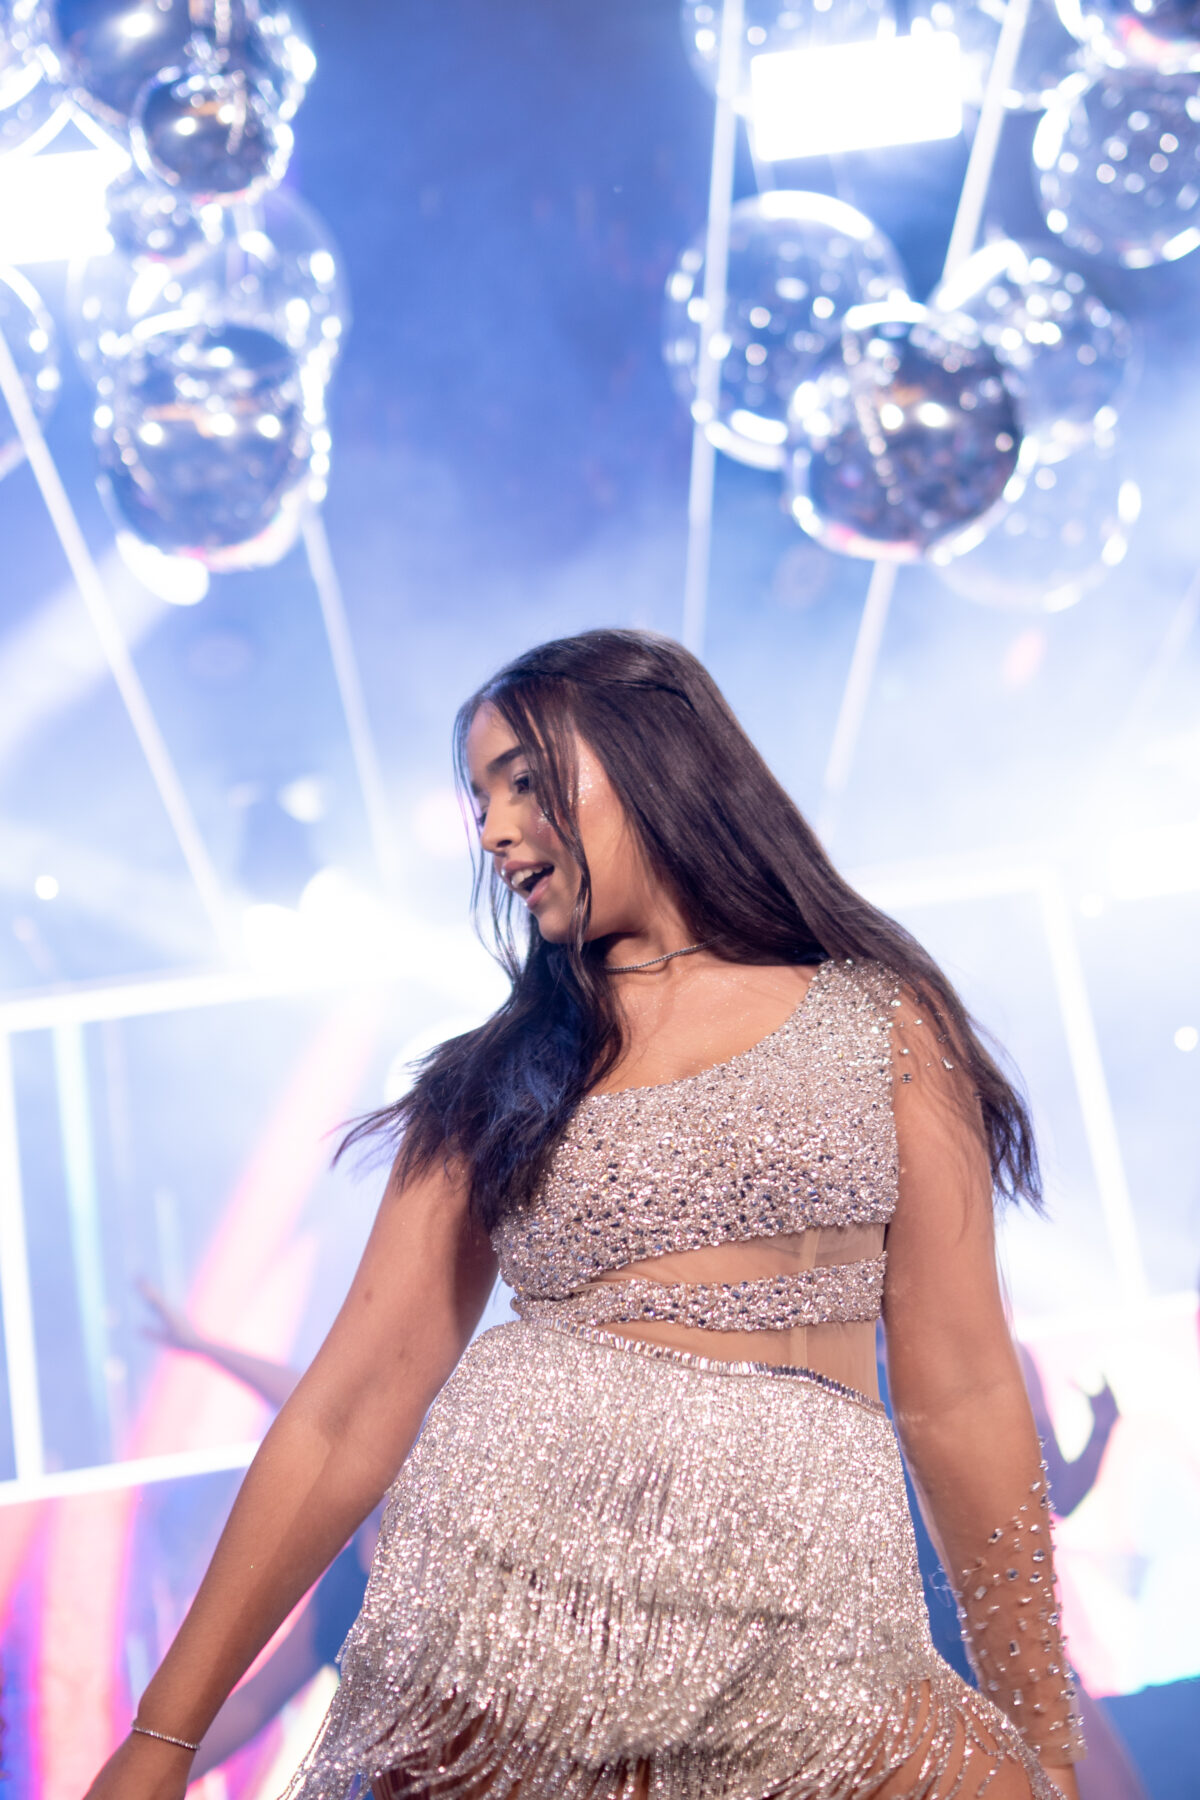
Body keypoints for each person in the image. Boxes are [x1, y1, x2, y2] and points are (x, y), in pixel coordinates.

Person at [86, 628, 1086, 1800]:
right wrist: (161, 1739)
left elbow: (963, 1394)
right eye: (479, 800)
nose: (493, 829)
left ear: (655, 755)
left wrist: (1047, 1743)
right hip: (513, 1633)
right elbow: (346, 1411)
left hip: (820, 1639)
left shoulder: (883, 1022)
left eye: (522, 780)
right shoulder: (490, 1080)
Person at [136, 1283, 375, 1780]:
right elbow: (253, 1704)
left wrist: (203, 1345)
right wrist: (144, 1779)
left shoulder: (455, 1527)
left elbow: (323, 1409)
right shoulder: (342, 1593)